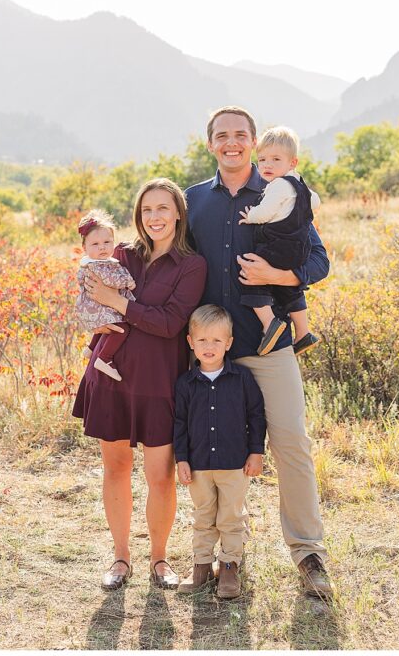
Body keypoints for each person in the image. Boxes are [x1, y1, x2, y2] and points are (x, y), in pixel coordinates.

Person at [185, 106, 334, 600]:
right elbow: (168, 259)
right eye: (221, 135)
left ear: (253, 142)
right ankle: (228, 559)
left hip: (271, 346)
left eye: (240, 135)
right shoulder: (192, 202)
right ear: (210, 144)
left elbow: (318, 260)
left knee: (291, 441)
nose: (232, 142)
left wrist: (277, 277)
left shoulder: (283, 189)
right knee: (218, 456)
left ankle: (308, 553)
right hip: (212, 356)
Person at [72, 178, 207, 591]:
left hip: (160, 382)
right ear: (138, 215)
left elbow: (170, 324)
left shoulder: (191, 265)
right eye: (147, 210)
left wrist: (121, 305)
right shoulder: (120, 256)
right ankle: (120, 557)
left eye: (163, 208)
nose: (154, 218)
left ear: (178, 213)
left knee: (160, 476)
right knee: (115, 468)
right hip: (111, 373)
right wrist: (115, 311)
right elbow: (90, 298)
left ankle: (160, 559)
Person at [173, 305, 265, 599]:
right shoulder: (186, 384)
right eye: (202, 340)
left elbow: (256, 416)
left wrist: (256, 452)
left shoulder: (241, 378)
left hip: (234, 463)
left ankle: (228, 566)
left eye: (216, 341)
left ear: (229, 343)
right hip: (199, 464)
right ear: (190, 342)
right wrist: (182, 458)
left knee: (230, 517)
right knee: (203, 515)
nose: (209, 347)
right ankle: (201, 566)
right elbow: (180, 424)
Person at [237, 126, 322, 356]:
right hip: (298, 249)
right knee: (290, 289)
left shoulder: (278, 185)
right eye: (262, 159)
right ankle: (303, 332)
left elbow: (264, 213)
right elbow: (315, 202)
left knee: (252, 278)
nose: (267, 165)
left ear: (292, 162)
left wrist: (250, 216)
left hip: (278, 246)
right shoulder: (299, 185)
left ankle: (269, 323)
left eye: (276, 159)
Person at [75, 209, 136, 381]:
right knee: (122, 328)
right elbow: (110, 280)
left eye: (107, 242)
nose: (102, 247)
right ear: (84, 248)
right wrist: (127, 282)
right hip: (97, 304)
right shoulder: (97, 265)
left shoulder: (102, 261)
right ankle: (104, 358)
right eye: (95, 244)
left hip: (98, 304)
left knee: (107, 323)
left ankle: (91, 347)